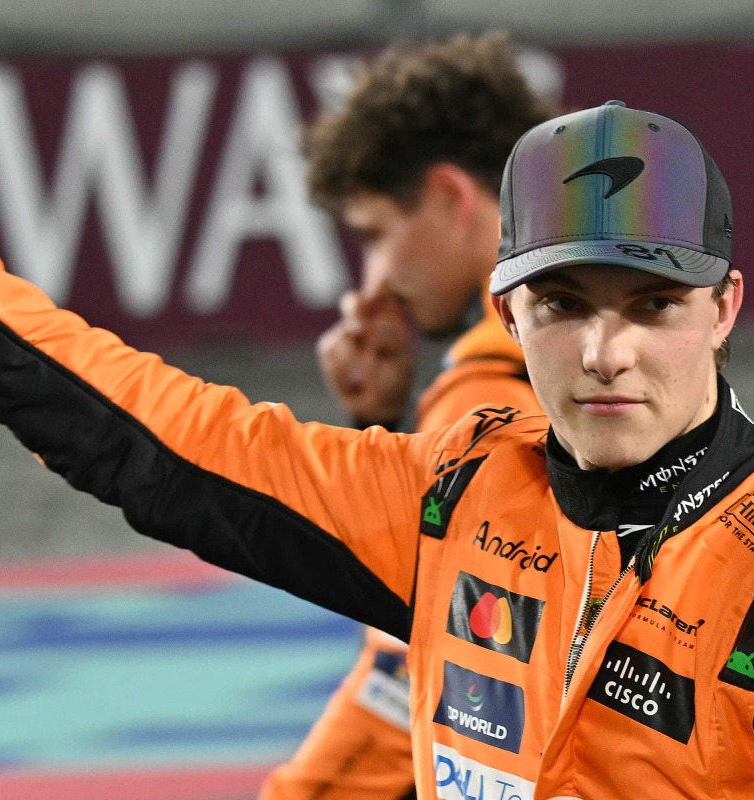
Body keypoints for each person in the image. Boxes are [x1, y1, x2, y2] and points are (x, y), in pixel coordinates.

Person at [0, 50, 754, 799]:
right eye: (565, 305)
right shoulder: (455, 493)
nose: (605, 352)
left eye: (655, 306)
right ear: (507, 310)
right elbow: (178, 449)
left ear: (726, 306)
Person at [260, 34, 555, 800]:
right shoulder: (621, 348)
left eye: (374, 235)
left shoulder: (482, 393)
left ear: (453, 198)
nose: (373, 279)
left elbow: (431, 677)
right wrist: (382, 430)